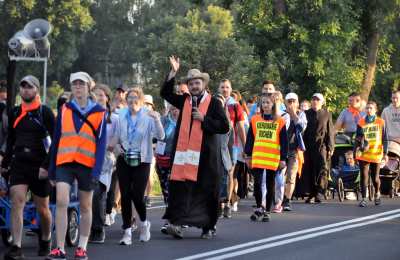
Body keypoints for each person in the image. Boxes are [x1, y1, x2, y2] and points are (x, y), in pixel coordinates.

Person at [161, 56, 229, 239]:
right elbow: (166, 94)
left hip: (206, 159)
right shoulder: (184, 101)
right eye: (191, 84)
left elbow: (224, 126)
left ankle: (208, 226)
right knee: (182, 191)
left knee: (206, 193)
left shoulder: (214, 103)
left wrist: (204, 119)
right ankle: (178, 223)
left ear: (203, 84)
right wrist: (173, 73)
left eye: (197, 83)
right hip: (185, 158)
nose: (194, 86)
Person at [46, 72, 107, 260]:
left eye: (81, 84)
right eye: (74, 84)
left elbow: (102, 144)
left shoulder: (99, 112)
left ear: (88, 87)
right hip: (64, 162)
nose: (78, 87)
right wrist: (51, 169)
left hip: (86, 165)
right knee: (62, 202)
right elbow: (56, 140)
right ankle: (60, 248)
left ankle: (82, 247)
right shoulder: (65, 109)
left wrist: (97, 171)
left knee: (86, 206)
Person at [2, 75, 55, 259]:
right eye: (23, 87)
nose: (26, 90)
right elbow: (10, 140)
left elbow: (55, 142)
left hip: (40, 165)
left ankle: (46, 238)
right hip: (19, 164)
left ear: (37, 90)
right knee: (17, 202)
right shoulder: (15, 112)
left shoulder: (45, 112)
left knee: (43, 209)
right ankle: (17, 246)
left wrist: (47, 166)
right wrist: (5, 163)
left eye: (29, 87)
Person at [111, 87, 164, 245]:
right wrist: (116, 148)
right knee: (125, 195)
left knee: (137, 195)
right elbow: (115, 137)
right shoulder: (120, 115)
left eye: (136, 99)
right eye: (130, 98)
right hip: (124, 159)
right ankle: (127, 231)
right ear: (126, 101)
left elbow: (161, 136)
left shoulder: (149, 117)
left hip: (142, 160)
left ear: (141, 102)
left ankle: (143, 224)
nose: (132, 101)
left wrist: (157, 119)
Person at [244, 94, 288, 222]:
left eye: (268, 102)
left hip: (272, 158)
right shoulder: (255, 119)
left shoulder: (280, 121)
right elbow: (250, 139)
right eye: (263, 103)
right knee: (257, 184)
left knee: (270, 185)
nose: (265, 105)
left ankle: (267, 210)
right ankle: (259, 207)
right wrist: (248, 155)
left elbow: (284, 142)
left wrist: (283, 159)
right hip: (257, 157)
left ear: (273, 104)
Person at [89, 84, 119, 244]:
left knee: (98, 193)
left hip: (105, 159)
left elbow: (116, 137)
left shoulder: (113, 118)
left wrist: (109, 146)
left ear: (107, 98)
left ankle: (98, 229)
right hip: (86, 158)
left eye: (102, 95)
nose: (99, 98)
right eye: (96, 95)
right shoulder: (87, 115)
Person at [218, 79, 246, 217]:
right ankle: (219, 202)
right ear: (219, 89)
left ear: (231, 89)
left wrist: (246, 147)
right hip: (217, 144)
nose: (224, 89)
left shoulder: (235, 106)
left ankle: (228, 203)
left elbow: (240, 128)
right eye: (222, 87)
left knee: (230, 173)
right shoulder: (214, 103)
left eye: (227, 87)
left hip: (232, 145)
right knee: (218, 173)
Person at [302, 93, 334, 203]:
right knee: (309, 169)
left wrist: (331, 147)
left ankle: (320, 192)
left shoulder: (327, 114)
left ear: (322, 102)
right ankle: (311, 193)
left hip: (322, 145)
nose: (315, 101)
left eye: (318, 100)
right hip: (308, 145)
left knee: (322, 168)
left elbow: (330, 131)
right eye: (313, 99)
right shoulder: (306, 113)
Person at [355, 101, 388, 207]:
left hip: (376, 153)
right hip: (364, 154)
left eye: (371, 108)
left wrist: (385, 153)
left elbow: (385, 139)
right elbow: (358, 137)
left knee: (375, 178)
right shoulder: (361, 122)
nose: (368, 110)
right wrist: (357, 148)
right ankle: (364, 198)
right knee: (364, 177)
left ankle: (377, 193)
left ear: (375, 110)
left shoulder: (381, 122)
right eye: (367, 108)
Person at [156, 103, 179, 233]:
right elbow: (160, 137)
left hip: (178, 160)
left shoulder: (184, 121)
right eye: (173, 109)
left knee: (173, 188)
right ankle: (170, 215)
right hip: (163, 158)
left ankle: (170, 219)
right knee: (165, 189)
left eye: (177, 109)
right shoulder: (164, 120)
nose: (175, 111)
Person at [281, 93, 307, 211]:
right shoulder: (281, 113)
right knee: (279, 176)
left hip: (294, 150)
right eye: (289, 101)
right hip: (281, 150)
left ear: (297, 103)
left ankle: (287, 200)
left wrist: (293, 115)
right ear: (285, 102)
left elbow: (302, 127)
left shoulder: (301, 114)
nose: (291, 103)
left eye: (294, 101)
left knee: (291, 176)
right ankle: (277, 199)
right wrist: (287, 114)